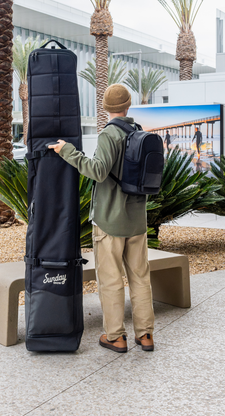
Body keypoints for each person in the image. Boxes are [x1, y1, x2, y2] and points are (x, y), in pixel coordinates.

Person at [49, 84, 154, 353]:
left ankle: (116, 336)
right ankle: (145, 335)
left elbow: (97, 171)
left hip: (110, 220)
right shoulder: (139, 131)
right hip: (137, 221)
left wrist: (67, 151)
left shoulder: (110, 134)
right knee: (141, 277)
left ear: (106, 109)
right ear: (129, 105)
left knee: (111, 280)